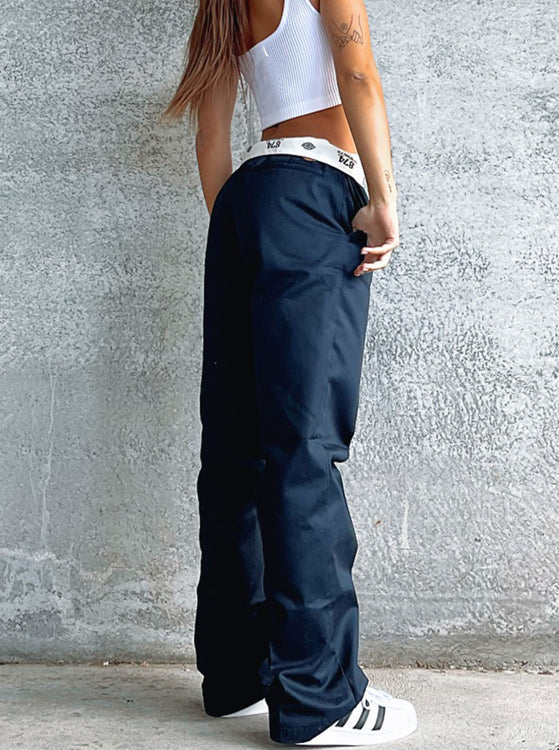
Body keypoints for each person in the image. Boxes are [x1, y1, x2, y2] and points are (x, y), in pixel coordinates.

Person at [162, 0, 418, 745]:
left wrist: (245, 231)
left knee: (235, 453)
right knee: (303, 447)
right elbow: (357, 72)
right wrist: (384, 202)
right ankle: (320, 699)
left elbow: (211, 137)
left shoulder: (220, 5)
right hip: (313, 194)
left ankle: (237, 676)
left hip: (246, 200)